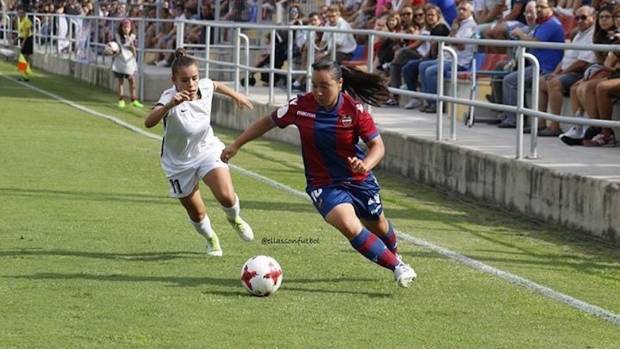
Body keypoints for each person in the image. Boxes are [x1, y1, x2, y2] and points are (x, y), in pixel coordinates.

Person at [221, 60, 417, 288]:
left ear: (340, 83)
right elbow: (268, 121)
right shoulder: (301, 106)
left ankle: (394, 256)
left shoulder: (354, 110)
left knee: (378, 224)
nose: (318, 91)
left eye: (325, 86)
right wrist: (236, 144)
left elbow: (378, 146)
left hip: (358, 180)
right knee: (349, 225)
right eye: (314, 85)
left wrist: (365, 165)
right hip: (323, 183)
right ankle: (397, 267)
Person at [145, 48, 255, 257]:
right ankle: (211, 238)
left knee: (226, 196)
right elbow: (149, 122)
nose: (191, 84)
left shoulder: (203, 86)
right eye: (185, 80)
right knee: (197, 212)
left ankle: (235, 219)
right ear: (174, 80)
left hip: (207, 150)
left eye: (194, 78)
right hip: (178, 163)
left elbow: (215, 84)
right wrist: (170, 105)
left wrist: (236, 96)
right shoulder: (169, 97)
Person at [112, 19, 144, 109]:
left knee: (132, 81)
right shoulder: (117, 37)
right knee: (121, 82)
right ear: (121, 28)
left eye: (128, 27)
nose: (126, 29)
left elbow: (135, 53)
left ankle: (133, 100)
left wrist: (132, 45)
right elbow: (113, 49)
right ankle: (121, 100)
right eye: (124, 27)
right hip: (120, 62)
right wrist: (115, 51)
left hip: (129, 63)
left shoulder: (133, 37)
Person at [17, 6, 33, 81]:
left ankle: (26, 75)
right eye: (19, 12)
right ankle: (23, 75)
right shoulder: (20, 21)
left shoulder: (27, 21)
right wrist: (16, 39)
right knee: (22, 58)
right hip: (23, 39)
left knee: (25, 57)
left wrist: (23, 43)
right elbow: (21, 32)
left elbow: (27, 33)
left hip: (27, 40)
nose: (19, 14)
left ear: (24, 13)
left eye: (21, 12)